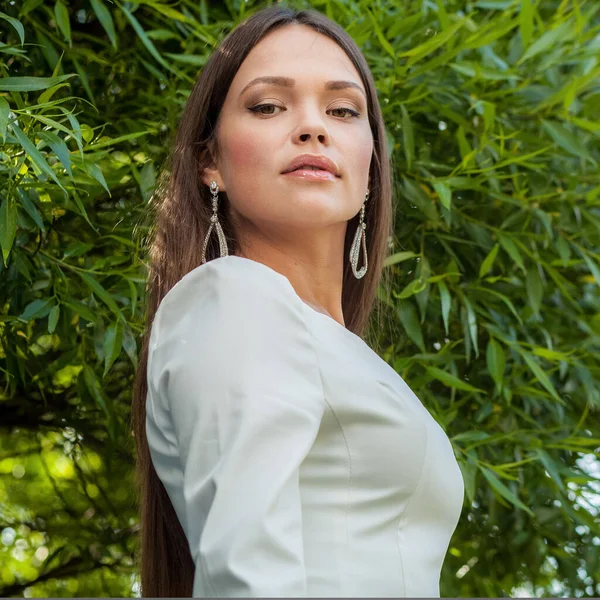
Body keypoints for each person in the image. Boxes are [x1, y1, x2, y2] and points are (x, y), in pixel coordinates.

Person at [131, 5, 464, 597]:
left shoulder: (341, 353)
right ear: (211, 163)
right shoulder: (233, 297)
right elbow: (248, 576)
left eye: (342, 110)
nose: (313, 128)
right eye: (267, 106)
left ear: (369, 168)